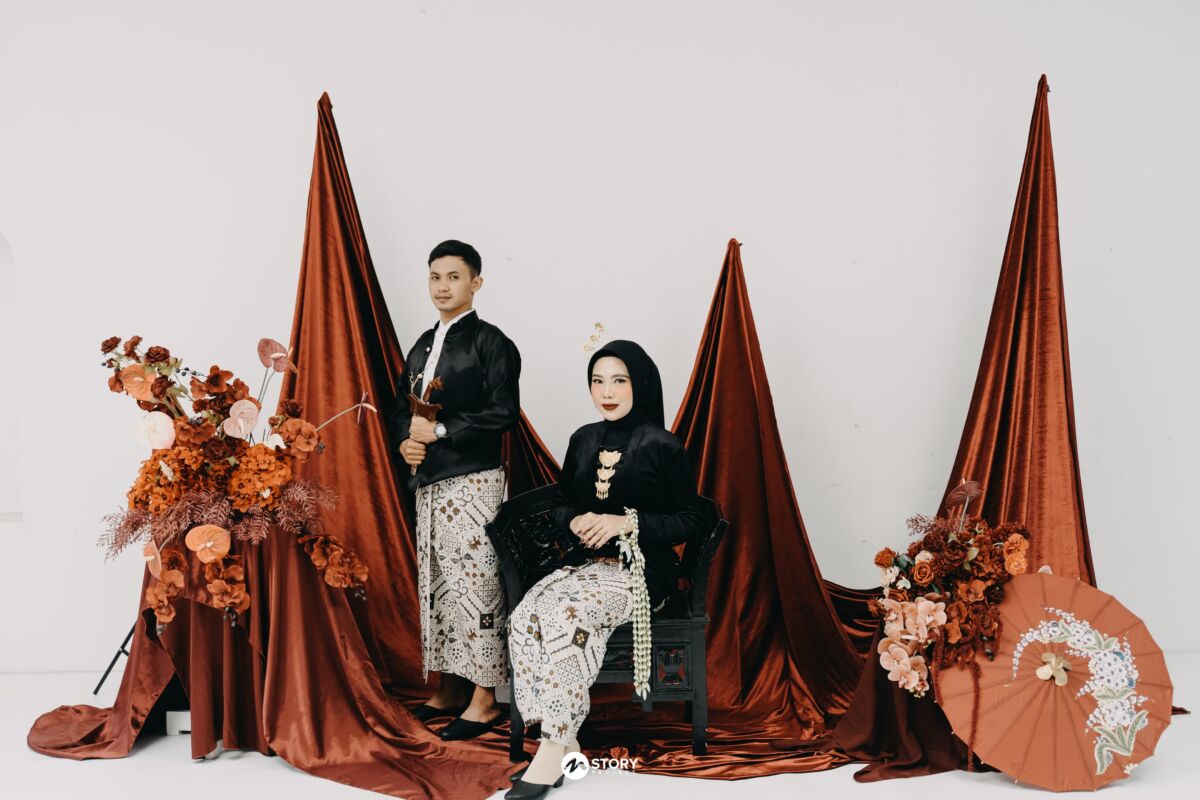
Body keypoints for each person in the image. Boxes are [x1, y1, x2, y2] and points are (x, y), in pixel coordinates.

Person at [504, 340, 707, 799]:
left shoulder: (663, 446)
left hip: (641, 573)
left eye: (619, 380)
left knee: (568, 617)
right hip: (585, 568)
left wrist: (626, 522)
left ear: (641, 384)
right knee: (526, 616)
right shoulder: (583, 439)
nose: (607, 392)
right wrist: (574, 519)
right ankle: (566, 740)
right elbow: (560, 502)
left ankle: (551, 750)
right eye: (597, 381)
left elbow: (690, 519)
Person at [388, 239, 521, 740]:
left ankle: (485, 699)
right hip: (428, 484)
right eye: (435, 277)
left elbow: (503, 412)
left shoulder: (491, 342)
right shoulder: (423, 344)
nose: (442, 287)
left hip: (474, 483)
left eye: (454, 277)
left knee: (478, 586)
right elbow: (402, 408)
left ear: (476, 283)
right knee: (439, 587)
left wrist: (441, 432)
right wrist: (406, 442)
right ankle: (449, 687)